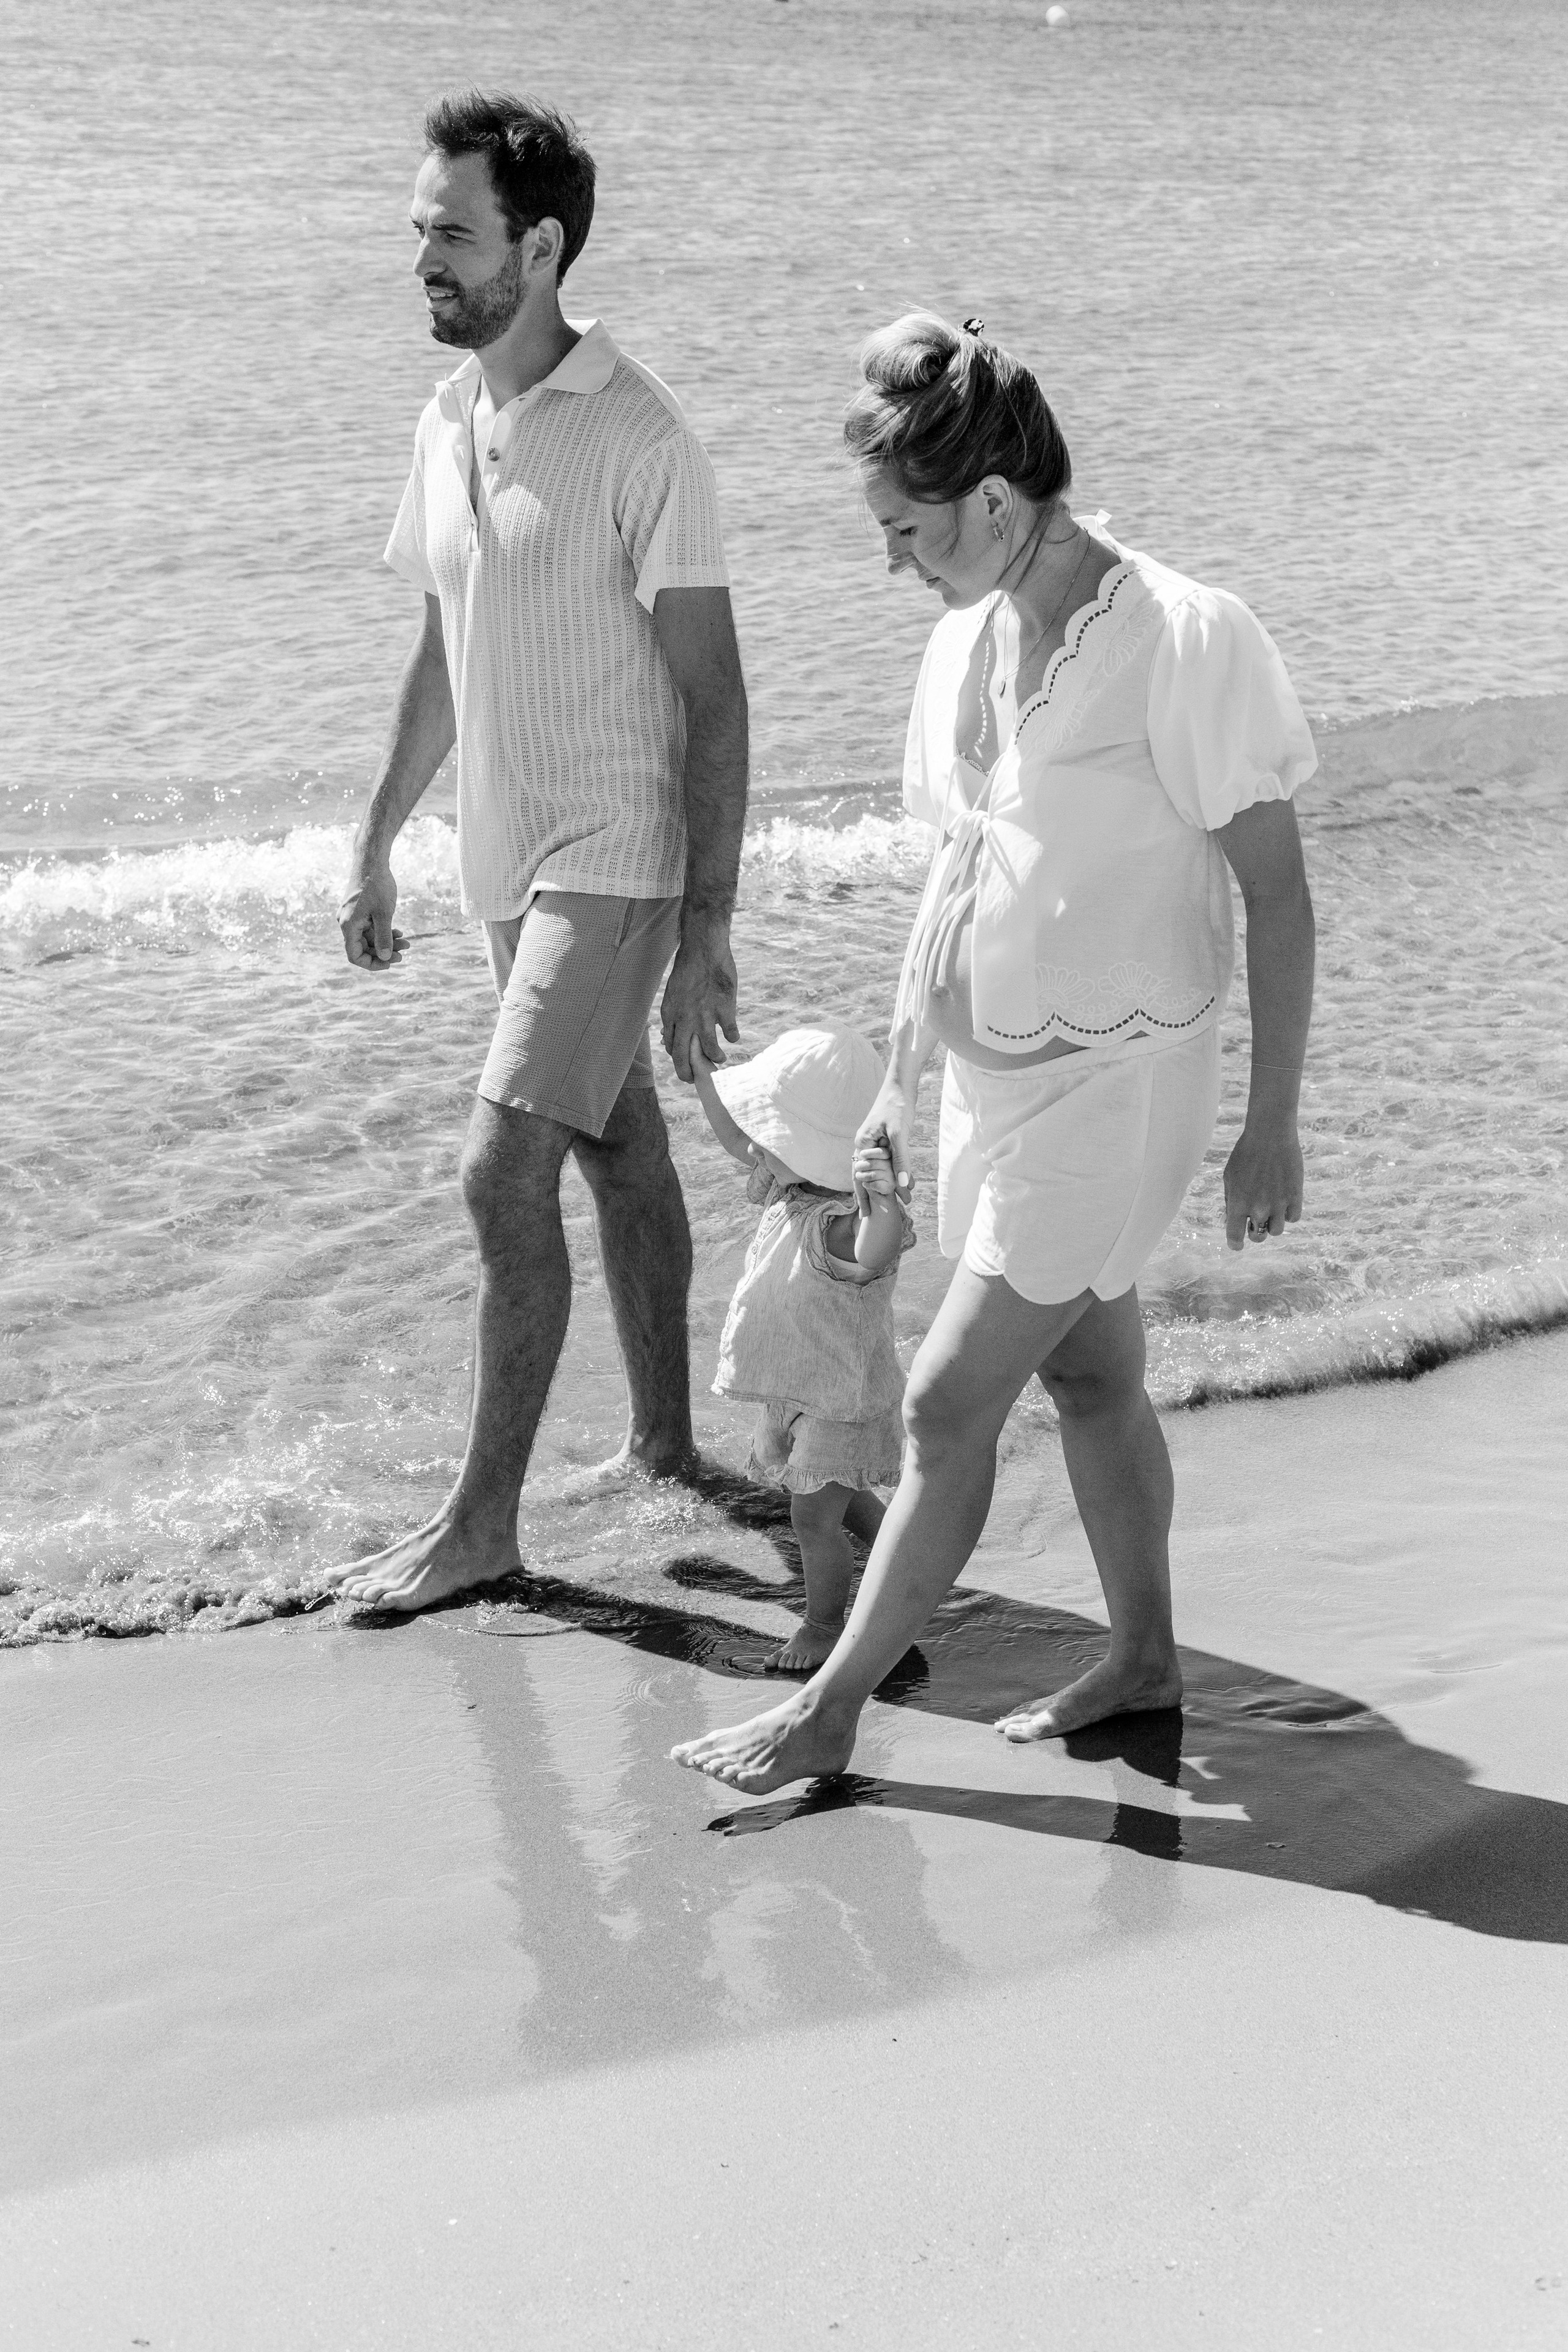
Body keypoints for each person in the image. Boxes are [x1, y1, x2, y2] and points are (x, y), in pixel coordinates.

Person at [671, 311, 1317, 1793]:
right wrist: (902, 1085)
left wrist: (1266, 1119)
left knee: (944, 1401)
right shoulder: (963, 634)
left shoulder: (1179, 636)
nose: (891, 559)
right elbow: (959, 877)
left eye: (905, 528)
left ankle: (827, 1707)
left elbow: (1272, 890)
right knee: (1091, 1377)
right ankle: (1144, 1654)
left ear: (990, 501)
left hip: (1118, 1083)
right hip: (989, 1085)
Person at [331, 92, 747, 1612]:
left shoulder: (642, 437)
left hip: (615, 859)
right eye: (419, 230)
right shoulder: (448, 419)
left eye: (453, 233)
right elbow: (443, 642)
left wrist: (706, 920)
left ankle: (482, 1525)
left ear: (542, 243)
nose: (424, 259)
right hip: (504, 866)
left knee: (499, 1172)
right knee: (617, 1145)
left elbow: (713, 693)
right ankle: (666, 1446)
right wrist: (377, 839)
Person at [690, 1024, 914, 1672]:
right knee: (851, 1504)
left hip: (840, 1401)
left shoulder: (850, 1223)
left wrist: (882, 1201)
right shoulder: (790, 1185)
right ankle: (913, 1568)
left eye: (773, 1133)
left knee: (814, 1519)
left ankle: (822, 1626)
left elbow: (878, 1250)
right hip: (798, 1390)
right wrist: (704, 1075)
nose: (756, 1145)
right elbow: (736, 1137)